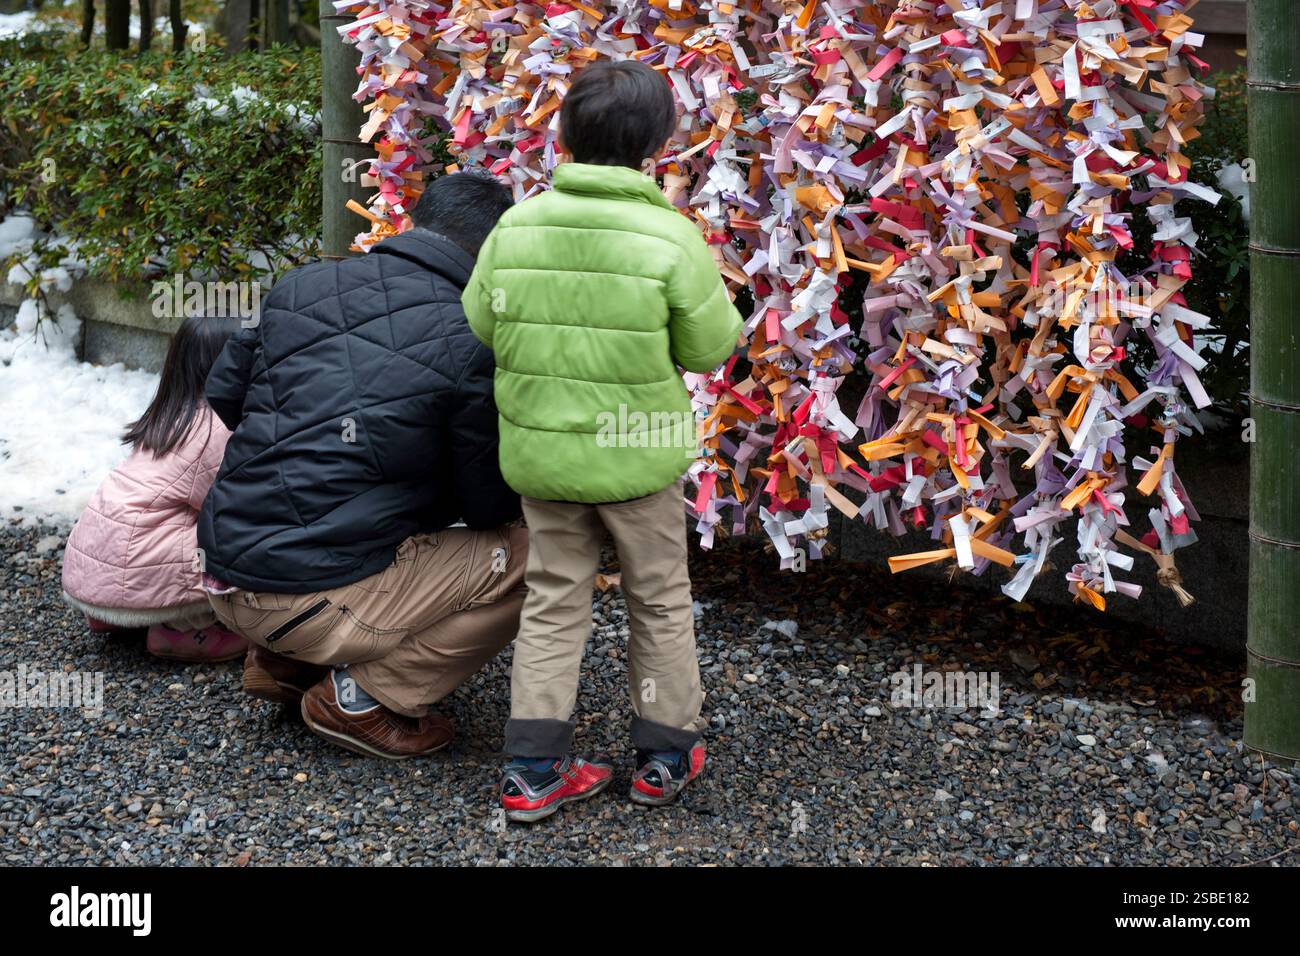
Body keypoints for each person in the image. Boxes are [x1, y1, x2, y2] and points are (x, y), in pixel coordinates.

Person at [463, 59, 743, 822]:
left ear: (565, 133)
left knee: (552, 599)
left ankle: (532, 770)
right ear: (659, 141)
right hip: (639, 456)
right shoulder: (671, 237)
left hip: (542, 455)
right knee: (658, 597)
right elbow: (712, 347)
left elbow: (481, 324)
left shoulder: (516, 225)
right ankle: (661, 753)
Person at [200, 171, 526, 760]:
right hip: (309, 594)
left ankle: (285, 661)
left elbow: (225, 393)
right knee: (538, 556)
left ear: (416, 222)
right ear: (495, 252)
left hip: (224, 576)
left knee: (367, 510)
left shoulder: (302, 283)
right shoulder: (472, 334)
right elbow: (487, 504)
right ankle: (366, 698)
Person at [62, 315, 246, 663]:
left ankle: (119, 614)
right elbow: (234, 508)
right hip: (131, 573)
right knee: (238, 536)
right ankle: (183, 629)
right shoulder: (218, 428)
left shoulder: (168, 414)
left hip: (91, 574)